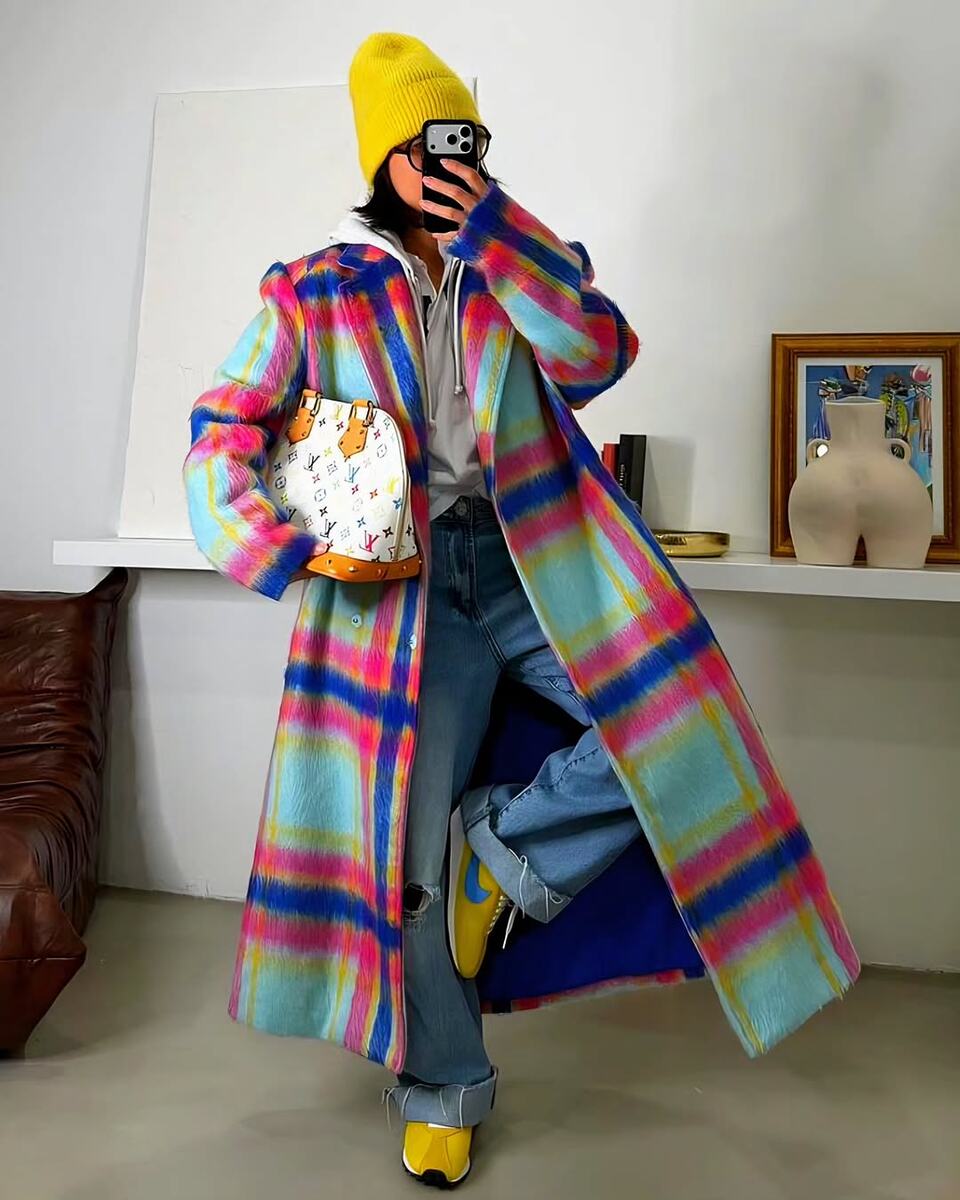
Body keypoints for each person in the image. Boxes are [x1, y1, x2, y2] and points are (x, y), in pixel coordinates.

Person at [183, 31, 859, 1191]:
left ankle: (505, 856)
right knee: (405, 858)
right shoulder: (313, 291)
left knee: (678, 726)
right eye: (431, 143)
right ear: (385, 158)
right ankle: (443, 1088)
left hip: (535, 560)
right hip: (399, 594)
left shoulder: (517, 266)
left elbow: (598, 354)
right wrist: (276, 547)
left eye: (470, 141)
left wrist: (500, 234)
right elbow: (220, 431)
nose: (454, 161)